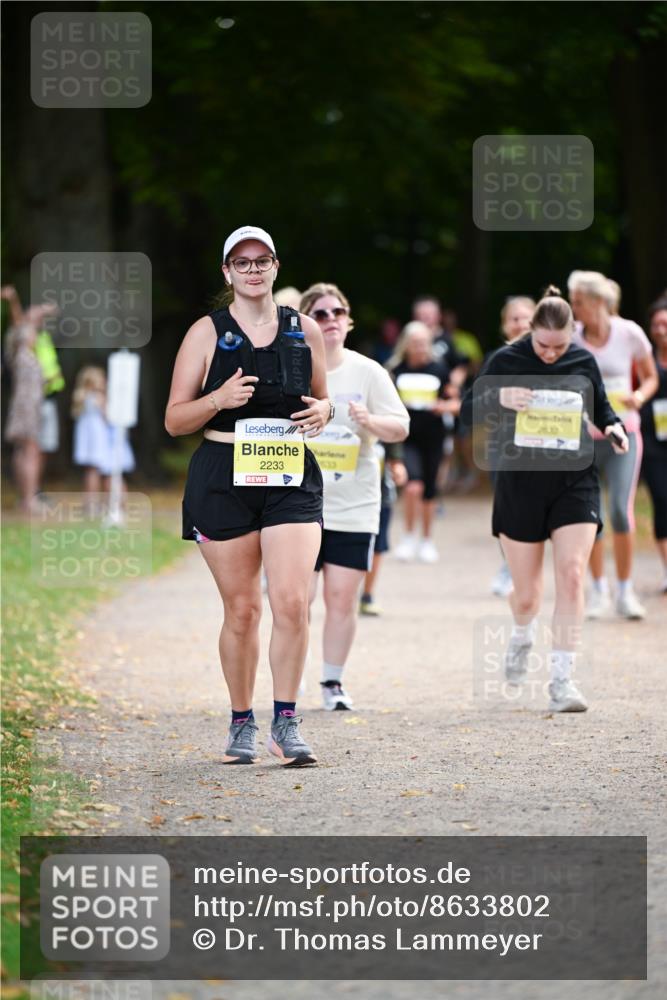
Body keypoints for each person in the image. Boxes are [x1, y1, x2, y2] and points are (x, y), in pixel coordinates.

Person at [165, 226, 332, 766]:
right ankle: (241, 721)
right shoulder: (206, 333)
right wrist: (217, 398)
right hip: (222, 473)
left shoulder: (304, 329)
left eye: (263, 260)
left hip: (288, 473)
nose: (253, 269)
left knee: (292, 601)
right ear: (227, 272)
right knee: (242, 609)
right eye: (243, 261)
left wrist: (325, 413)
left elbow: (322, 401)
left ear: (276, 268)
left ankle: (287, 720)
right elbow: (174, 420)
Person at [462, 286, 629, 713]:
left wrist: (614, 428)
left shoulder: (581, 359)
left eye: (559, 346)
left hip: (575, 479)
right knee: (526, 596)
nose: (551, 354)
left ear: (573, 334)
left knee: (572, 574)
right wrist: (499, 396)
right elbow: (468, 411)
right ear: (530, 333)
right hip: (520, 482)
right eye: (542, 345)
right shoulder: (507, 360)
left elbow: (602, 408)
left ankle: (562, 680)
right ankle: (521, 635)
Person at [300, 282, 409, 711]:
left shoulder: (369, 372)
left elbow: (400, 427)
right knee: (296, 600)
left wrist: (371, 421)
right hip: (299, 504)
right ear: (306, 320)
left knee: (341, 598)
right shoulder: (293, 368)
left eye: (337, 312)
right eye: (320, 314)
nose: (330, 320)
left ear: (348, 321)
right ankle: (292, 674)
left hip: (355, 503)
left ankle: (332, 682)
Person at [568, 271, 659, 619]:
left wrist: (639, 395)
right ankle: (598, 590)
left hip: (624, 434)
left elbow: (651, 376)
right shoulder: (573, 337)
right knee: (592, 515)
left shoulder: (629, 333)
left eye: (578, 302)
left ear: (597, 302)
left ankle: (625, 590)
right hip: (583, 436)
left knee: (621, 510)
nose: (574, 309)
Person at [389, 321, 460, 562]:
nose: (419, 347)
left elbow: (455, 402)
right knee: (412, 486)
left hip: (433, 437)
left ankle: (427, 540)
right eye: (415, 343)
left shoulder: (439, 369)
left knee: (429, 490)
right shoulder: (395, 369)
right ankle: (408, 537)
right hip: (406, 438)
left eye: (423, 343)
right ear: (406, 345)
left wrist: (444, 407)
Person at [490, 296, 536, 597]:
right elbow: (478, 401)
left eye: (525, 318)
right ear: (505, 325)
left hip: (542, 446)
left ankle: (531, 570)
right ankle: (510, 567)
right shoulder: (498, 358)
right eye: (514, 319)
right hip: (504, 445)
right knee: (508, 509)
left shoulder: (550, 356)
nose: (520, 323)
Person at [72, 365, 135, 510]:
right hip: (100, 440)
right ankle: (114, 505)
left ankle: (91, 504)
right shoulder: (98, 398)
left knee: (91, 472)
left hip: (88, 441)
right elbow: (109, 417)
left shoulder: (82, 398)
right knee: (108, 473)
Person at [358, 442, 408, 616]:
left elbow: (393, 425)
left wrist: (397, 462)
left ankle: (367, 595)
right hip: (333, 490)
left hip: (379, 490)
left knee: (377, 544)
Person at [3, 313, 45, 514]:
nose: (36, 336)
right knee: (31, 452)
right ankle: (30, 499)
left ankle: (25, 498)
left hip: (23, 408)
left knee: (22, 452)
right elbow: (21, 323)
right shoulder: (22, 355)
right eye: (33, 333)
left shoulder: (20, 355)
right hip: (27, 409)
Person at [640, 294, 667, 591]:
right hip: (652, 439)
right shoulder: (642, 359)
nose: (660, 329)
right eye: (656, 324)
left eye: (665, 324)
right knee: (662, 499)